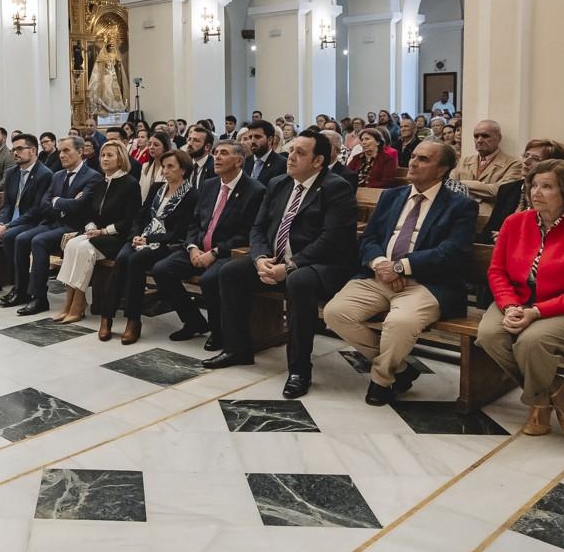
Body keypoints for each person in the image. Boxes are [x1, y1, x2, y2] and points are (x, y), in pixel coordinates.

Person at [324, 141, 477, 404]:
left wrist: (401, 267)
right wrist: (381, 264)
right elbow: (369, 238)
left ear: (441, 170)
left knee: (399, 323)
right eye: (414, 156)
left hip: (428, 283)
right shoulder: (392, 196)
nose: (413, 163)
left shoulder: (460, 206)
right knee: (336, 313)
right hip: (379, 276)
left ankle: (382, 380)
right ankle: (403, 370)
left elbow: (450, 252)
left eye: (423, 159)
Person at [206, 131, 357, 393]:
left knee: (298, 282)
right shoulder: (279, 183)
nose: (291, 157)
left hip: (320, 265)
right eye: (291, 150)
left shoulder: (336, 187)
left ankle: (299, 370)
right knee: (231, 272)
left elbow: (332, 239)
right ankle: (237, 348)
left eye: (300, 153)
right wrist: (260, 258)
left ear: (318, 160)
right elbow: (258, 228)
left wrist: (289, 266)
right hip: (276, 259)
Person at [475, 160, 564, 435]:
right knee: (489, 334)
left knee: (531, 342)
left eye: (546, 186)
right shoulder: (514, 223)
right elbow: (497, 271)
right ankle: (554, 389)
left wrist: (535, 312)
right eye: (534, 185)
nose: (536, 192)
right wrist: (511, 305)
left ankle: (538, 406)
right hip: (517, 300)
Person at [151, 141, 265, 345]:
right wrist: (193, 247)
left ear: (239, 161)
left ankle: (219, 332)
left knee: (209, 280)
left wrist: (214, 252)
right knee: (161, 269)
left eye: (224, 153)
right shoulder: (209, 185)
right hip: (198, 248)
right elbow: (195, 222)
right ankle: (193, 321)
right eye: (215, 153)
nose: (217, 157)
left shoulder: (254, 190)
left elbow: (247, 234)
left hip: (227, 252)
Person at [99, 150, 197, 344]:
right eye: (164, 166)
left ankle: (133, 320)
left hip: (166, 243)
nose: (165, 170)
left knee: (135, 261)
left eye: (171, 166)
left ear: (184, 170)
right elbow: (141, 215)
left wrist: (150, 238)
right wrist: (136, 234)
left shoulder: (191, 195)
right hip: (142, 238)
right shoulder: (157, 188)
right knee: (122, 258)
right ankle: (107, 316)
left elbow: (180, 231)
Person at [1, 136, 102, 315]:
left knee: (39, 241)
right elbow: (44, 204)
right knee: (21, 238)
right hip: (54, 222)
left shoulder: (92, 176)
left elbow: (80, 206)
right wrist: (64, 203)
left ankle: (39, 298)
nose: (61, 155)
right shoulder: (57, 175)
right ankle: (21, 289)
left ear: (80, 152)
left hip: (75, 227)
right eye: (60, 151)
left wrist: (57, 202)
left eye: (66, 151)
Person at [54, 141, 142, 324]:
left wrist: (103, 231)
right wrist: (91, 227)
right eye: (103, 155)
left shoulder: (130, 183)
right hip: (97, 234)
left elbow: (130, 220)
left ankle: (78, 304)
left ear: (121, 159)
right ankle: (68, 302)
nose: (105, 159)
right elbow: (90, 213)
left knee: (84, 249)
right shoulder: (101, 183)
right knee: (71, 244)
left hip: (117, 238)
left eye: (110, 155)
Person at [0, 134, 53, 296]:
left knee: (10, 236)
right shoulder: (12, 173)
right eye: (13, 149)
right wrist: (2, 222)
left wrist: (8, 226)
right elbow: (7, 205)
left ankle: (20, 286)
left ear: (32, 151)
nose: (15, 153)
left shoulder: (44, 174)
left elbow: (37, 209)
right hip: (11, 219)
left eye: (19, 149)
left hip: (32, 221)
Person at [479, 139, 564, 244]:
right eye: (525, 155)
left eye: (536, 159)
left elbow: (556, 236)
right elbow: (488, 232)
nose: (526, 161)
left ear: (553, 165)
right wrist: (497, 237)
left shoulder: (557, 194)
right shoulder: (508, 189)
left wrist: (511, 237)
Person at [453, 120, 524, 208]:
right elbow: (449, 187)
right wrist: (484, 190)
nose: (479, 140)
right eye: (476, 136)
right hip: (459, 214)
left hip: (489, 218)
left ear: (499, 138)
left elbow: (501, 192)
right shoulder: (464, 161)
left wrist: (460, 184)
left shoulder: (514, 163)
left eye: (485, 136)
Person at [241, 120, 287, 187]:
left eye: (257, 137)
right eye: (250, 137)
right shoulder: (245, 162)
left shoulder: (282, 163)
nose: (252, 141)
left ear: (270, 139)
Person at [138, 131, 172, 201]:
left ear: (165, 147)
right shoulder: (145, 166)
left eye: (156, 145)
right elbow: (140, 189)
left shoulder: (171, 168)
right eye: (149, 144)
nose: (151, 147)